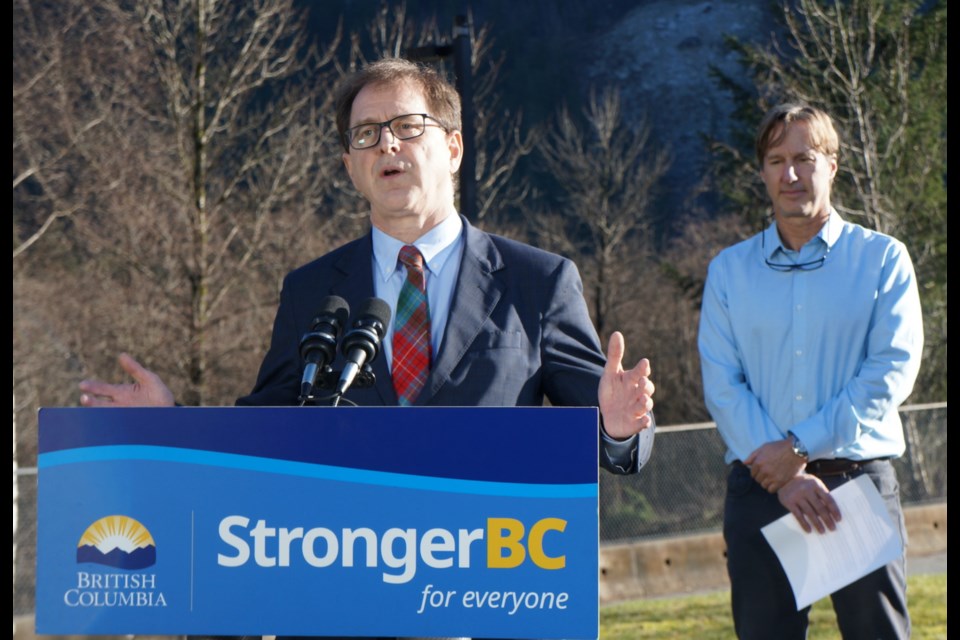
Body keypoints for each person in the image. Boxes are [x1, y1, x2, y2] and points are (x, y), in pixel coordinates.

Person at [79, 56, 655, 473]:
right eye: (366, 135)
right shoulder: (311, 292)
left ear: (453, 148)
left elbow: (610, 434)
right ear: (349, 167)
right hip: (354, 582)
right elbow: (270, 429)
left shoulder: (539, 282)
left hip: (487, 584)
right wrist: (170, 421)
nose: (387, 146)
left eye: (408, 127)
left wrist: (619, 428)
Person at [698, 103, 923, 639]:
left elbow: (891, 369)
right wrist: (786, 474)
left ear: (833, 166)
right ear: (762, 172)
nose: (790, 174)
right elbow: (723, 383)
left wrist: (799, 449)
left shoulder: (883, 259)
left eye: (804, 157)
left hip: (854, 485)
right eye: (776, 160)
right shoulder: (729, 271)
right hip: (762, 490)